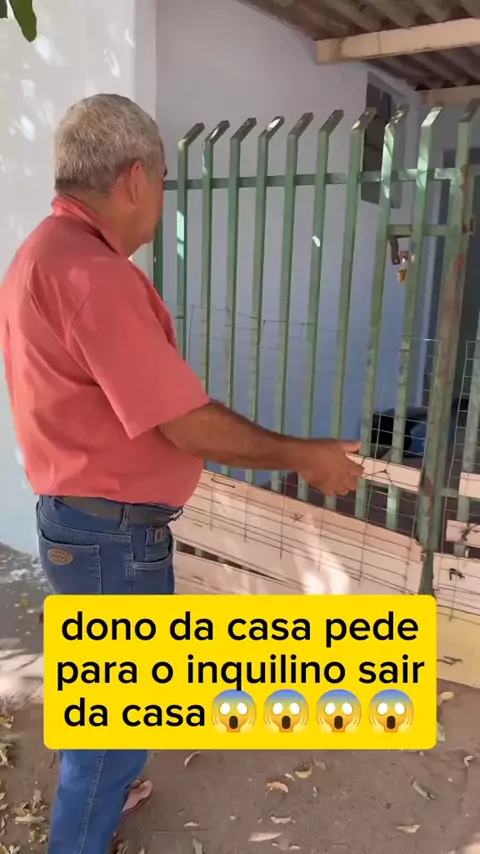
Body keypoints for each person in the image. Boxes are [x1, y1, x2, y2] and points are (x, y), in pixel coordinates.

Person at [0, 94, 363, 854]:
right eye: (164, 181)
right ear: (135, 178)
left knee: (110, 683)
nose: (162, 199)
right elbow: (185, 422)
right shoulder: (93, 276)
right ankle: (81, 830)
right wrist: (305, 455)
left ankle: (112, 788)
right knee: (116, 711)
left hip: (82, 519)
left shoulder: (45, 251)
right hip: (111, 534)